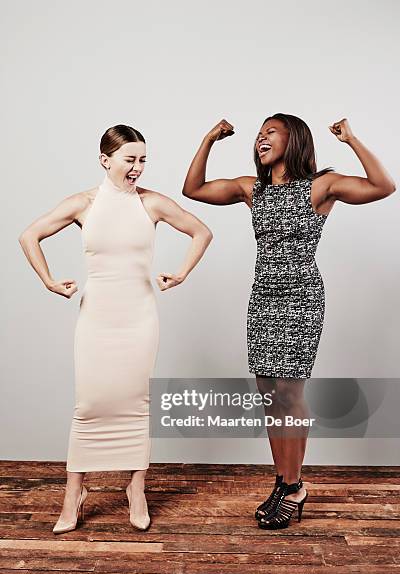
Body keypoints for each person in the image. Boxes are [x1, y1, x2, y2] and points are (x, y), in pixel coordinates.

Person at [182, 114, 396, 530]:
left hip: (300, 296)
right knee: (269, 395)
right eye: (259, 134)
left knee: (289, 391)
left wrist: (352, 140)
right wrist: (209, 138)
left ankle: (294, 485)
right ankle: (282, 482)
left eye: (271, 132)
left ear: (294, 139)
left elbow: (383, 187)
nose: (261, 138)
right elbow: (193, 189)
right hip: (262, 297)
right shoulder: (253, 188)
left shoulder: (321, 186)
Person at [18, 124, 213, 534]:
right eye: (130, 160)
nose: (138, 168)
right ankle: (75, 493)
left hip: (139, 317)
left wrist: (180, 274)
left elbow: (202, 231)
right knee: (89, 403)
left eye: (143, 160)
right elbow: (29, 235)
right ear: (106, 160)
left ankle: (135, 488)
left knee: (137, 401)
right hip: (97, 317)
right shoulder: (83, 204)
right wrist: (49, 281)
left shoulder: (153, 204)